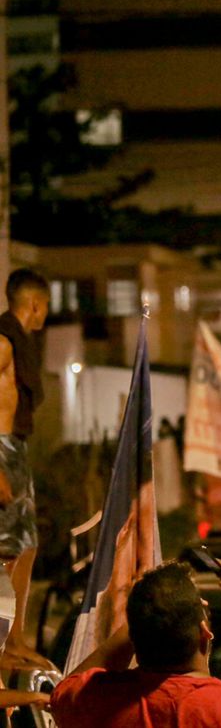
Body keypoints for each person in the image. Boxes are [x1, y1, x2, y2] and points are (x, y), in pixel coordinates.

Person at [51, 559, 221, 727]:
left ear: (135, 637)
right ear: (204, 631)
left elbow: (66, 688)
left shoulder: (95, 703)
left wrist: (148, 613)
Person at [0, 269, 48, 671]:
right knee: (8, 551)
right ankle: (4, 641)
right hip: (1, 452)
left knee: (26, 546)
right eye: (44, 308)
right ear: (35, 305)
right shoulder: (3, 342)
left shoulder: (21, 344)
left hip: (15, 448)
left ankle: (15, 637)